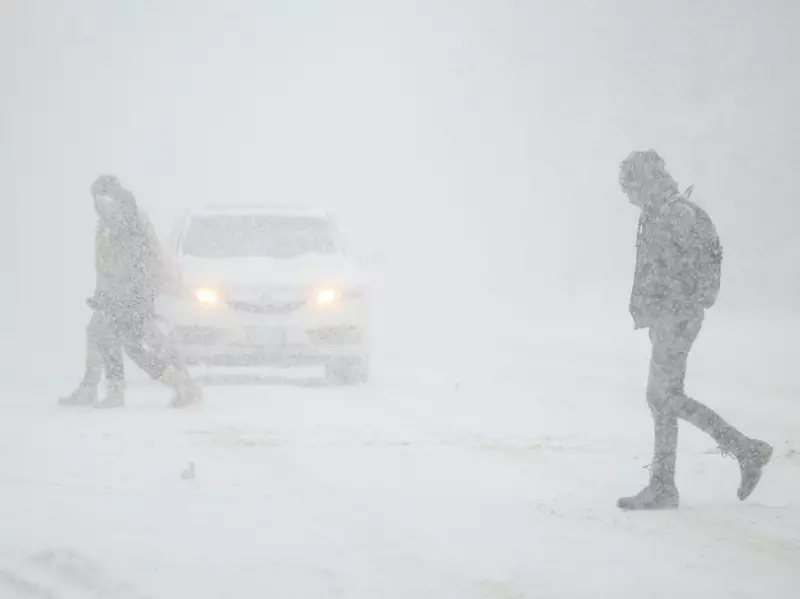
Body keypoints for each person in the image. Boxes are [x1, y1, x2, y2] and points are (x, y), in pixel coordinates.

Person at [617, 149, 772, 510]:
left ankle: (743, 450)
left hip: (677, 317)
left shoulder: (677, 215)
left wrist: (670, 305)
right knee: (663, 397)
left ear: (646, 182)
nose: (627, 196)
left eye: (630, 187)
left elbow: (691, 273)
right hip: (666, 318)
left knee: (664, 396)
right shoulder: (658, 213)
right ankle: (666, 484)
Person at [58, 175, 199, 409]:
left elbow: (145, 262)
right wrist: (101, 293)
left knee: (132, 344)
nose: (99, 205)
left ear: (116, 197)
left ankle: (176, 386)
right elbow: (104, 265)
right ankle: (94, 389)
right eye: (96, 199)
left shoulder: (133, 224)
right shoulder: (104, 227)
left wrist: (134, 295)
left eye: (104, 198)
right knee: (104, 335)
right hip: (114, 295)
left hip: (134, 295)